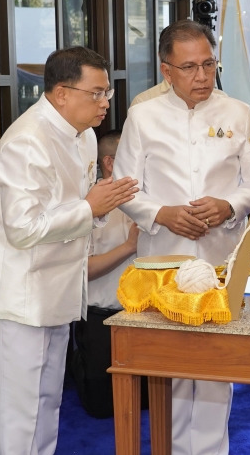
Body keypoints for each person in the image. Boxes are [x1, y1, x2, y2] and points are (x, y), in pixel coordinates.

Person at [0, 46, 139, 454]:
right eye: (96, 93)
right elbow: (23, 229)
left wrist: (99, 209)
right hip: (17, 297)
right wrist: (91, 206)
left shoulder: (85, 136)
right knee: (21, 414)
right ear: (60, 93)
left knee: (47, 403)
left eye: (106, 92)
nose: (105, 102)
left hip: (56, 288)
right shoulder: (26, 141)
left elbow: (78, 207)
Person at [113, 19, 250, 455]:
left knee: (218, 363)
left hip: (222, 256)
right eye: (189, 67)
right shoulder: (142, 116)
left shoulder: (238, 112)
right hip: (164, 258)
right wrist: (162, 213)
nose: (202, 77)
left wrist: (229, 205)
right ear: (166, 71)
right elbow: (125, 187)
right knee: (174, 366)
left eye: (208, 64)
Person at [71, 129, 145, 418]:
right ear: (111, 163)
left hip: (150, 315)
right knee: (103, 407)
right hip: (103, 317)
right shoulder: (88, 204)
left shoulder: (153, 198)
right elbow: (82, 271)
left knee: (158, 398)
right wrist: (129, 247)